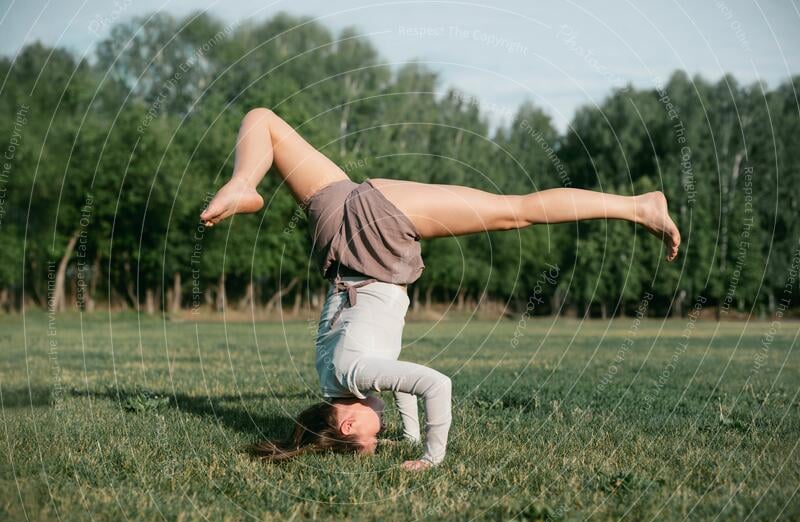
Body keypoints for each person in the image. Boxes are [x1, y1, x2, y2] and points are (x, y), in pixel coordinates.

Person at [200, 108, 681, 471]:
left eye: (371, 438)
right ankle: (243, 182)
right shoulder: (336, 377)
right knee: (262, 119)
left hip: (374, 239)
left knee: (515, 210)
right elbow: (392, 381)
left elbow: (434, 384)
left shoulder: (357, 371)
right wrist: (407, 434)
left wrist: (430, 456)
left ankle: (640, 207)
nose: (379, 433)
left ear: (346, 423)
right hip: (335, 229)